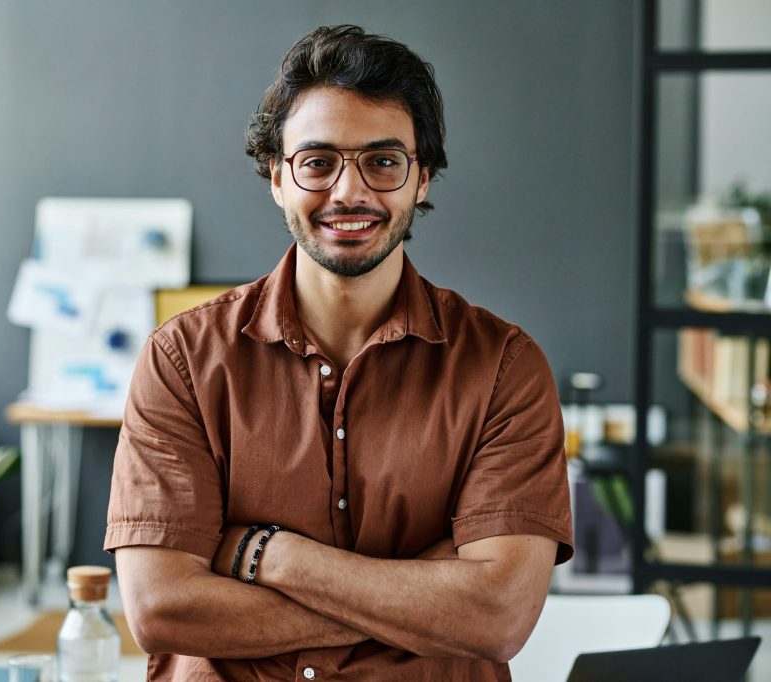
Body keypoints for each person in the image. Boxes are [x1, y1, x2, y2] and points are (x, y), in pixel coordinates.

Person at [105, 24, 573, 681]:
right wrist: (424, 595)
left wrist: (271, 557)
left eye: (383, 162)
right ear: (276, 176)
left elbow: (497, 617)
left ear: (422, 179)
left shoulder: (503, 367)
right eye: (318, 162)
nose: (349, 193)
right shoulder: (182, 358)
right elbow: (160, 609)